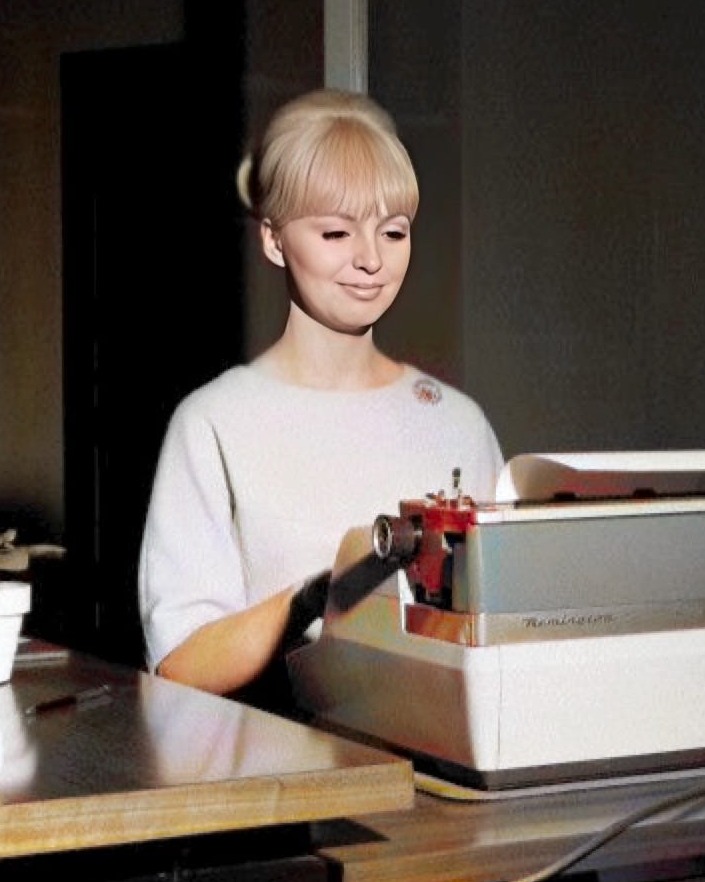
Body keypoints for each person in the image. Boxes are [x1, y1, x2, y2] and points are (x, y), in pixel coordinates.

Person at [137, 87, 504, 701]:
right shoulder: (214, 422)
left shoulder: (457, 422)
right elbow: (179, 662)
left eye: (393, 232)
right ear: (274, 241)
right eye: (336, 233)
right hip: (286, 776)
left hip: (443, 768)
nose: (370, 260)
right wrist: (317, 597)